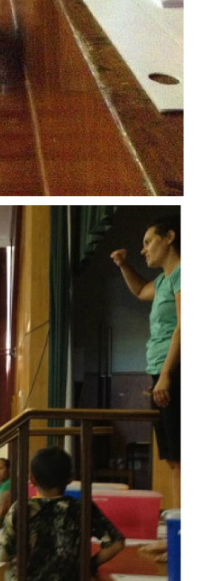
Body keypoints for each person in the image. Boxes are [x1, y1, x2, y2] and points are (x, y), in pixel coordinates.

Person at [111, 213, 181, 545]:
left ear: (170, 237)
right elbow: (140, 290)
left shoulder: (185, 273)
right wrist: (124, 265)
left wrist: (166, 375)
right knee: (174, 459)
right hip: (163, 372)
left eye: (148, 241)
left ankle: (184, 539)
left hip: (177, 370)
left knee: (183, 456)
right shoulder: (165, 280)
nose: (144, 249)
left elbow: (185, 325)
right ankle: (178, 537)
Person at [0, 447, 125, 581]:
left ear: (32, 479)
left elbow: (2, 555)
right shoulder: (83, 508)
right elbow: (117, 543)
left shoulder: (21, 508)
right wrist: (88, 566)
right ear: (70, 478)